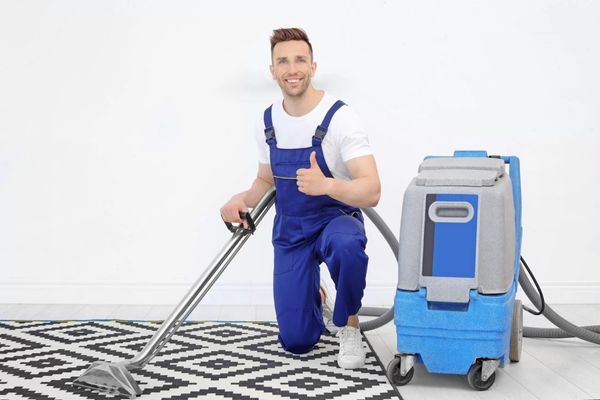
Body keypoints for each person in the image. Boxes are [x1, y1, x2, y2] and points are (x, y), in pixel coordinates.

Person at [220, 27, 380, 369]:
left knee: (346, 246)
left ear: (313, 66)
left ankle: (349, 326)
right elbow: (266, 178)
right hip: (292, 229)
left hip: (336, 220)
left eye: (300, 60)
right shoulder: (267, 122)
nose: (292, 69)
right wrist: (242, 199)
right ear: (273, 71)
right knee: (297, 342)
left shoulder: (339, 118)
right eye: (283, 61)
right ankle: (316, 294)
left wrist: (329, 186)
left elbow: (372, 189)